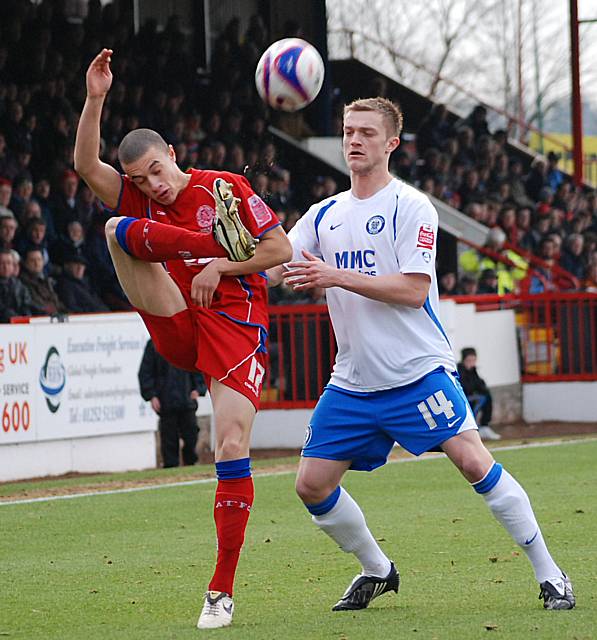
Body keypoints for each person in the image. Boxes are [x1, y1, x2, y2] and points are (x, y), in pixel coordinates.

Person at [268, 97, 574, 613]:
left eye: (366, 132)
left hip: (417, 374)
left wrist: (333, 275)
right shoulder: (323, 215)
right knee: (311, 485)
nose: (354, 140)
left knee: (476, 463)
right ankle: (377, 569)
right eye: (347, 131)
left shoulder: (411, 207)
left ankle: (550, 573)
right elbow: (275, 263)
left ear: (391, 143)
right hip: (354, 382)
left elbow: (413, 289)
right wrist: (221, 261)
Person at [74, 49, 292, 630]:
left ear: (173, 154)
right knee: (115, 227)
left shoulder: (223, 186)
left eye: (158, 172)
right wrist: (95, 97)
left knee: (228, 446)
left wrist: (220, 266)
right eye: (141, 179)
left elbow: (280, 251)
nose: (153, 184)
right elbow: (85, 165)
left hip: (234, 325)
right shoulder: (138, 197)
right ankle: (182, 249)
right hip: (176, 320)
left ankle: (221, 589)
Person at [138, 339, 207, 468]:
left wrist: (199, 388)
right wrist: (151, 396)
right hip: (165, 402)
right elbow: (145, 372)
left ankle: (190, 462)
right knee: (168, 438)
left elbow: (198, 366)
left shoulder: (185, 341)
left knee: (191, 433)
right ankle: (171, 466)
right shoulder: (154, 344)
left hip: (187, 400)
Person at [457, 347, 500, 440]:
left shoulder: (473, 370)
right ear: (464, 359)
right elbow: (466, 387)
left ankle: (484, 426)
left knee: (486, 397)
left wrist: (482, 388)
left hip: (472, 397)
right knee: (478, 401)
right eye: (469, 360)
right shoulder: (459, 370)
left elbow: (480, 385)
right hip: (463, 399)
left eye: (473, 360)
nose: (471, 363)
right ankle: (472, 428)